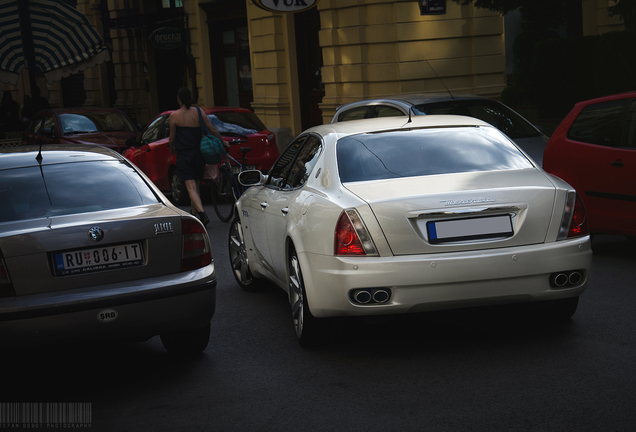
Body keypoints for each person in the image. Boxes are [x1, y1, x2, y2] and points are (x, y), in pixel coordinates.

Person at [168, 87, 225, 226]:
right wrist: (223, 142)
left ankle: (202, 213)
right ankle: (194, 216)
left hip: (184, 155)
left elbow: (172, 138)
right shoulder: (199, 112)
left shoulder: (174, 116)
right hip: (198, 154)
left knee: (191, 188)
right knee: (196, 186)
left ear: (178, 99)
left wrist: (171, 149)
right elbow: (212, 129)